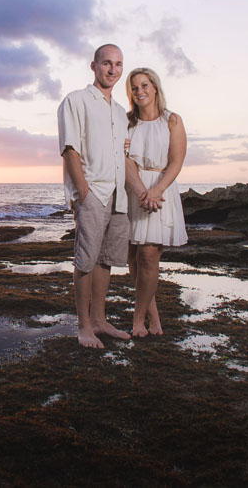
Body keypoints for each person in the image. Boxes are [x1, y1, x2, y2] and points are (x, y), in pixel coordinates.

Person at [57, 44, 154, 348]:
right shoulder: (75, 101)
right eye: (107, 64)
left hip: (118, 197)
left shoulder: (119, 112)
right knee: (85, 260)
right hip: (93, 193)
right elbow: (69, 148)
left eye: (118, 64)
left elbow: (123, 154)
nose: (113, 70)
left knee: (105, 261)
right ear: (94, 66)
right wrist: (82, 191)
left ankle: (99, 320)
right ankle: (84, 326)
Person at [123, 67, 188, 337]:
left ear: (155, 87)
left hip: (162, 192)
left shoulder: (172, 121)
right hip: (133, 191)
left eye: (145, 85)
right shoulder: (126, 122)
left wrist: (156, 191)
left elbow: (176, 162)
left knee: (149, 256)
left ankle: (138, 320)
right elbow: (124, 160)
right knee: (134, 259)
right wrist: (141, 191)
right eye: (135, 87)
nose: (140, 91)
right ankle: (154, 317)